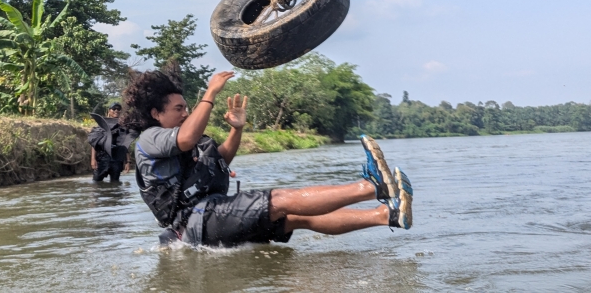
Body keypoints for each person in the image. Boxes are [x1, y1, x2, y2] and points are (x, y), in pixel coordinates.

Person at [122, 69, 413, 247]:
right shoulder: (151, 138)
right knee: (281, 199)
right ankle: (373, 187)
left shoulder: (182, 141)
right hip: (197, 220)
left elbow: (220, 160)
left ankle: (387, 215)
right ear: (156, 114)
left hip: (206, 220)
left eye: (187, 107)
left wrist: (236, 130)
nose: (186, 113)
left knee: (295, 217)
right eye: (178, 108)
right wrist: (209, 93)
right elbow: (186, 137)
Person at [89, 103, 130, 182]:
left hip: (117, 158)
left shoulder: (123, 127)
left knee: (115, 184)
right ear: (109, 111)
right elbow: (94, 143)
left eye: (118, 109)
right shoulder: (101, 125)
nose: (116, 111)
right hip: (102, 158)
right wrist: (93, 159)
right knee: (96, 183)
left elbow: (125, 145)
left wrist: (128, 161)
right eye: (114, 109)